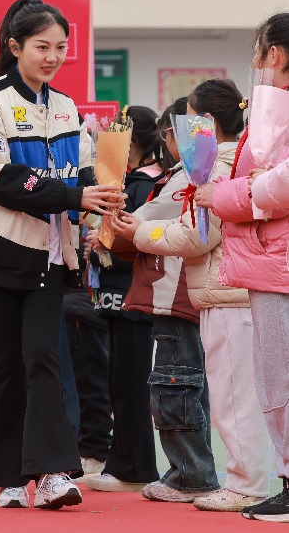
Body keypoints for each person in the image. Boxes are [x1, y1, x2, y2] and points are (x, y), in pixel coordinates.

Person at [0, 0, 123, 510]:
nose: (52, 57)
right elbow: (1, 179)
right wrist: (74, 195)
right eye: (41, 46)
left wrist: (101, 202)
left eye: (60, 48)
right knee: (7, 364)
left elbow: (84, 172)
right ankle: (8, 478)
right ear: (15, 46)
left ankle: (50, 473)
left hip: (51, 256)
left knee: (41, 358)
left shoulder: (67, 107)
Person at [112, 80, 270, 513]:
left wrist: (139, 232)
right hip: (228, 293)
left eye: (190, 120)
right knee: (236, 396)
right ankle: (247, 480)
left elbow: (197, 236)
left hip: (226, 294)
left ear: (208, 123)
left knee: (234, 398)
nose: (184, 130)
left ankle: (248, 484)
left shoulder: (218, 166)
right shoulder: (235, 159)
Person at [104, 97, 220, 503]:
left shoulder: (191, 174)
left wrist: (114, 226)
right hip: (181, 290)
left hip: (177, 291)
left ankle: (191, 475)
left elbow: (146, 219)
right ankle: (193, 471)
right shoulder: (189, 171)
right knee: (186, 385)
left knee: (176, 384)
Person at [200, 12, 289, 522]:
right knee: (273, 376)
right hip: (268, 260)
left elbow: (276, 185)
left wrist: (224, 194)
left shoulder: (278, 111)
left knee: (277, 377)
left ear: (273, 54)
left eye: (258, 52)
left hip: (276, 260)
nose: (256, 62)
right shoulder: (270, 111)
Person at [83, 106, 164, 493]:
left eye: (119, 136)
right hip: (116, 291)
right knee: (119, 381)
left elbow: (137, 236)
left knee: (131, 382)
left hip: (134, 291)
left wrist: (105, 242)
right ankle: (125, 462)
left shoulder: (146, 184)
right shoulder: (128, 181)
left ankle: (136, 467)